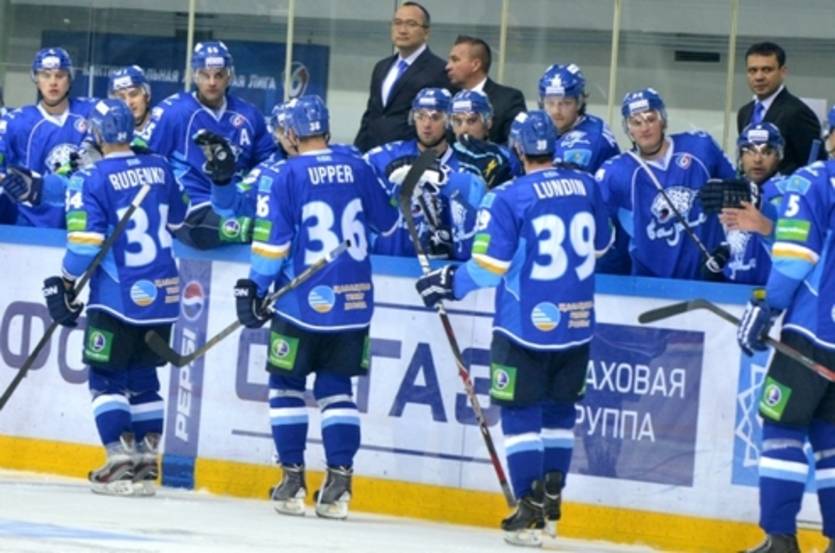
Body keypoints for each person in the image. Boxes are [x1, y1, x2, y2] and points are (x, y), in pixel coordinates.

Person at [414, 110, 611, 547]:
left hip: (524, 327)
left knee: (521, 415)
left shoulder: (507, 197)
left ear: (517, 148)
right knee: (559, 413)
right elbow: (604, 244)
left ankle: (528, 508)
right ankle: (552, 500)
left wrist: (449, 282)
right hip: (577, 325)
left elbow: (488, 268)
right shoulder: (587, 185)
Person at [234, 95, 400, 520]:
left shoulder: (286, 174)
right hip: (354, 303)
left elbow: (273, 246)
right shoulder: (359, 167)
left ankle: (292, 482)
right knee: (337, 390)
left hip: (300, 305)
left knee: (286, 386)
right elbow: (389, 224)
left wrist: (254, 288)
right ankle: (339, 486)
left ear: (291, 134)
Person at [41, 98, 186, 497]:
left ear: (96, 133)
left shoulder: (90, 177)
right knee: (144, 378)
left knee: (106, 378)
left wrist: (65, 281)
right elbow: (178, 220)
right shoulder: (160, 167)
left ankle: (120, 463)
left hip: (117, 297)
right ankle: (146, 467)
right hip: (163, 294)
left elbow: (85, 245)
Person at [736, 155, 835, 553]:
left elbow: (796, 259)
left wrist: (767, 305)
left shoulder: (813, 180)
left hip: (813, 331)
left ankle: (780, 540)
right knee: (831, 439)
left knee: (782, 427)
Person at [145, 40, 276, 248]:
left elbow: (270, 163)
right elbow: (148, 161)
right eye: (205, 75)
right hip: (194, 209)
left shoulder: (249, 114)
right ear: (194, 76)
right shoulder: (173, 112)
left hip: (237, 205)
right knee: (211, 231)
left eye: (219, 75)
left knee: (276, 221)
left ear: (229, 76)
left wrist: (247, 187)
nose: (212, 82)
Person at [595, 87, 735, 280]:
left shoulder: (700, 147)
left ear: (663, 120)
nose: (645, 128)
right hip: (649, 285)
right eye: (636, 122)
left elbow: (742, 192)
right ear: (628, 129)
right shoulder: (615, 173)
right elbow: (597, 227)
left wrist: (728, 195)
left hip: (707, 278)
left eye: (651, 119)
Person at [363, 87, 487, 259]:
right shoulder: (382, 157)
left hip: (438, 268)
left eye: (435, 117)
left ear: (449, 121)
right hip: (386, 263)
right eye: (420, 116)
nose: (426, 125)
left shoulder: (465, 169)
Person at [0, 47, 96, 227]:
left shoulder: (91, 112)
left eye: (60, 75)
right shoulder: (16, 121)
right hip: (30, 224)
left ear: (69, 79)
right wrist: (5, 179)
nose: (53, 82)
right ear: (36, 79)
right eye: (45, 75)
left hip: (78, 220)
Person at [354, 2, 451, 153]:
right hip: (374, 155)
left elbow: (443, 122)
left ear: (426, 32)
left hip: (411, 157)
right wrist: (357, 153)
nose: (402, 30)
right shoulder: (382, 67)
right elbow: (371, 115)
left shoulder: (439, 70)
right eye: (397, 23)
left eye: (411, 24)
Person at [704, 123, 786, 284]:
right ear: (740, 157)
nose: (757, 159)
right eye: (749, 151)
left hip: (769, 292)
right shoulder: (729, 191)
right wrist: (720, 256)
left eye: (767, 152)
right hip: (730, 290)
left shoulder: (791, 190)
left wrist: (761, 205)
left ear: (779, 156)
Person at [737, 42, 823, 175]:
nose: (759, 77)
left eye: (767, 70)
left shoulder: (797, 112)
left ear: (783, 72)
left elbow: (815, 166)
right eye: (753, 70)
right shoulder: (744, 112)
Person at [538, 63, 619, 174]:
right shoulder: (540, 126)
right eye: (550, 103)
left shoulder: (591, 139)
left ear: (579, 103)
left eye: (566, 103)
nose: (556, 111)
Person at [445, 35, 526, 145]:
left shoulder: (509, 100)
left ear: (475, 65)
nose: (448, 67)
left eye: (455, 60)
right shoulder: (448, 99)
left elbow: (515, 144)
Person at [448, 89, 521, 188]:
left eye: (471, 121)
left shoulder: (505, 157)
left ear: (488, 122)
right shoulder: (439, 154)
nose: (464, 129)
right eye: (458, 121)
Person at [108, 65, 153, 140]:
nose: (128, 103)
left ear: (147, 95)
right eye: (121, 98)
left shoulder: (163, 125)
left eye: (133, 94)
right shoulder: (109, 133)